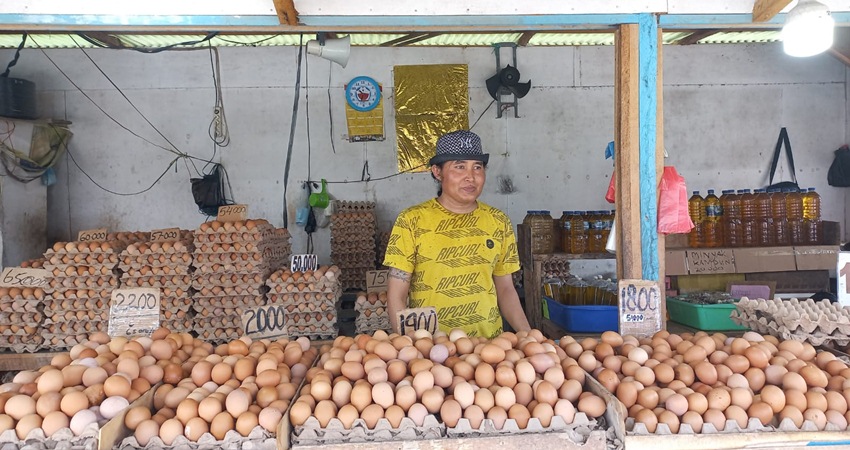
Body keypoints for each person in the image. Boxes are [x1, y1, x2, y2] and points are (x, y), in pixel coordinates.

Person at [383, 130, 531, 338]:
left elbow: (506, 289)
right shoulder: (411, 221)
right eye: (460, 167)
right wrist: (410, 345)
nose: (470, 177)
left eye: (477, 167)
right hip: (431, 350)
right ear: (437, 172)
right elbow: (397, 291)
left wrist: (527, 335)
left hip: (488, 349)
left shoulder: (498, 222)